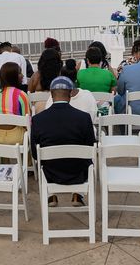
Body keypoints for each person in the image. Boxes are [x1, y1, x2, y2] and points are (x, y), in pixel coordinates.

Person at [31, 76, 96, 207]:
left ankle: (51, 196)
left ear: (51, 93)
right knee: (86, 159)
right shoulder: (84, 118)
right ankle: (78, 194)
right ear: (70, 94)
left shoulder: (38, 119)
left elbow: (34, 153)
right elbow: (90, 148)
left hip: (50, 173)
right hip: (78, 172)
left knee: (43, 160)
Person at [0, 62, 30, 145]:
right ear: (13, 76)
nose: (22, 76)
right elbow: (27, 122)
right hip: (17, 139)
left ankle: (4, 157)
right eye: (20, 73)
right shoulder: (21, 95)